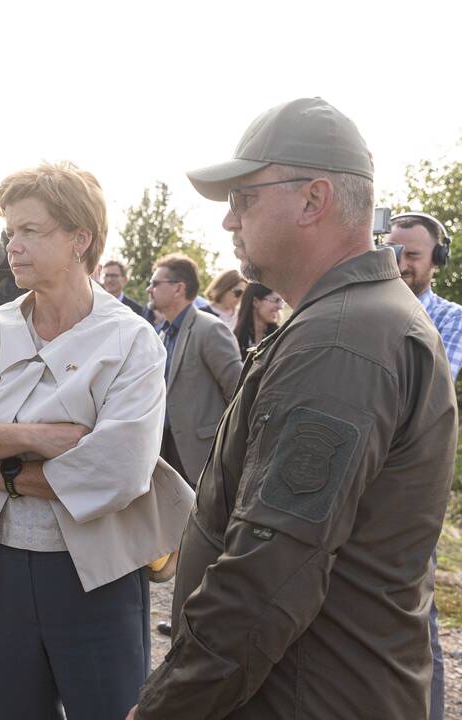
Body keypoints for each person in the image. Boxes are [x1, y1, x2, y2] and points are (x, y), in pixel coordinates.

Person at [131, 97, 457, 719]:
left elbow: (267, 576)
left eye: (245, 197)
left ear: (313, 199)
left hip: (308, 697)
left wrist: (162, 710)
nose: (229, 221)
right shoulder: (356, 319)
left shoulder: (341, 340)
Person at [0, 161, 193, 720]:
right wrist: (33, 437)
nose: (13, 246)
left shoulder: (131, 341)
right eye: (11, 232)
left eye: (30, 231)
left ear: (80, 239)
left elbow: (118, 472)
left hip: (95, 579)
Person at [388, 210, 462, 720]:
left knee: (419, 616)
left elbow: (431, 390)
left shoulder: (452, 319)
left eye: (412, 255)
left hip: (413, 489)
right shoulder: (360, 308)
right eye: (393, 252)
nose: (401, 264)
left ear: (436, 260)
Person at [147, 253, 242, 486]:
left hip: (202, 456)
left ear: (179, 288)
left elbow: (239, 393)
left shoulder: (209, 329)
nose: (149, 289)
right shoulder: (161, 333)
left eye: (156, 283)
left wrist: (228, 450)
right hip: (163, 450)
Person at [232, 283, 283, 360]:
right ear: (255, 302)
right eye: (276, 300)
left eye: (281, 301)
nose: (280, 307)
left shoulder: (279, 338)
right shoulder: (234, 338)